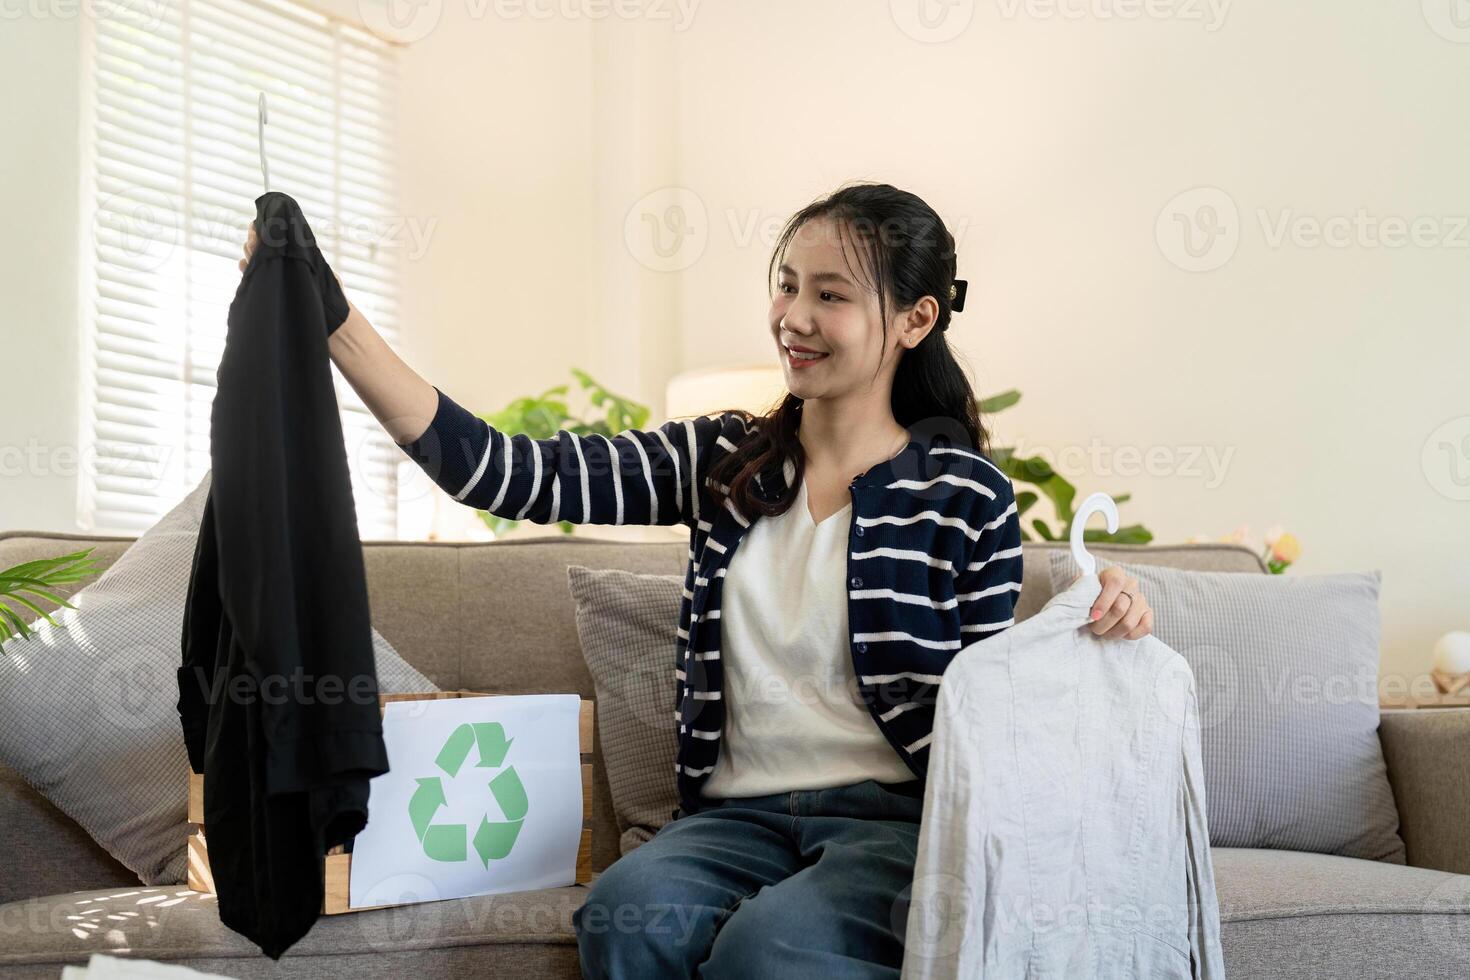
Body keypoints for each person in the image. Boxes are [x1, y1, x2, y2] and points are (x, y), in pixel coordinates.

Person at [239, 180, 1154, 977]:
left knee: (772, 954)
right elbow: (506, 471)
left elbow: (1005, 696)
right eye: (787, 285)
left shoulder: (966, 496)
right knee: (626, 922)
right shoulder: (725, 459)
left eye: (830, 295)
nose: (794, 317)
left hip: (895, 826)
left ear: (916, 320)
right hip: (737, 820)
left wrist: (1097, 608)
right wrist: (332, 316)